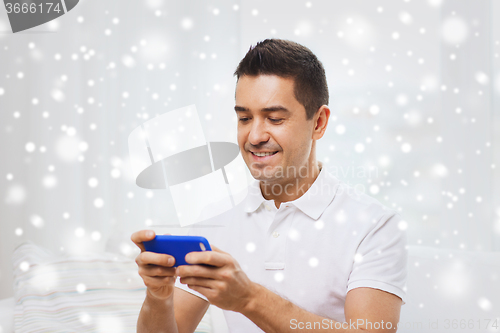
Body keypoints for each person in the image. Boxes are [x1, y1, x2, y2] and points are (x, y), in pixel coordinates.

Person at [131, 38, 407, 333]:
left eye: (274, 118)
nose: (254, 136)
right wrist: (158, 298)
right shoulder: (215, 218)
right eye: (244, 118)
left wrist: (249, 298)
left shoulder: (374, 225)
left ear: (319, 123)